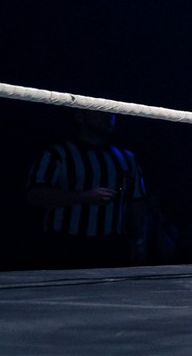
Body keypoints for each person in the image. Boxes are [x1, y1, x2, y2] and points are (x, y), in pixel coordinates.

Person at [25, 110, 148, 269]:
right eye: (100, 112)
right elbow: (34, 195)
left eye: (111, 112)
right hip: (65, 243)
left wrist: (139, 241)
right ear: (80, 116)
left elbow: (136, 202)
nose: (109, 116)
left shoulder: (127, 158)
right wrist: (84, 197)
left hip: (111, 246)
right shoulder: (58, 154)